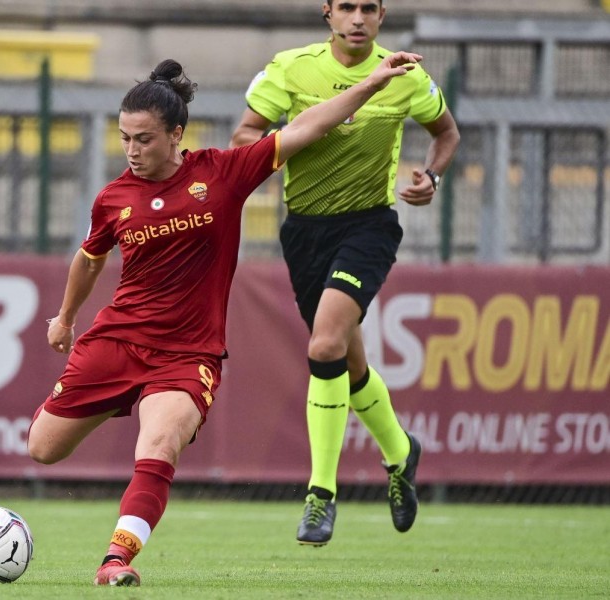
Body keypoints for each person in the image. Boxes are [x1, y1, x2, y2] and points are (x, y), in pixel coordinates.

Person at [27, 52, 423, 587]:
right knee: (43, 448)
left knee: (159, 445)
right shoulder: (113, 199)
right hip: (116, 341)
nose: (132, 151)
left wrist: (371, 86)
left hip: (187, 355)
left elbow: (306, 126)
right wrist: (65, 317)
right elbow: (90, 257)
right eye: (124, 138)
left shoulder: (222, 174)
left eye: (144, 139)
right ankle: (128, 398)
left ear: (176, 134)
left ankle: (116, 559)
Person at [229, 0, 461, 546]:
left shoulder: (405, 75)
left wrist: (431, 176)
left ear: (383, 16)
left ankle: (321, 494)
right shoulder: (291, 68)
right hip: (304, 231)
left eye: (369, 8)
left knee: (326, 344)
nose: (358, 18)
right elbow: (243, 138)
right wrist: (300, 137)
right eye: (347, 8)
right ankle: (401, 454)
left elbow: (446, 133)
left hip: (369, 227)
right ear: (327, 14)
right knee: (347, 361)